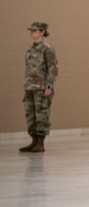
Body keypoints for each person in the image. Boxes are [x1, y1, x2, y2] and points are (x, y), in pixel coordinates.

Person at [21, 21, 58, 153]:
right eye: (31, 30)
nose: (31, 33)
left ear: (42, 32)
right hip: (30, 87)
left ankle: (40, 143)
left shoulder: (47, 49)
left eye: (34, 30)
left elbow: (53, 68)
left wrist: (49, 86)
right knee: (30, 115)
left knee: (41, 115)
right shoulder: (30, 49)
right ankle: (34, 141)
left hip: (42, 88)